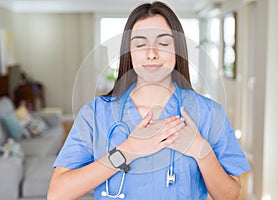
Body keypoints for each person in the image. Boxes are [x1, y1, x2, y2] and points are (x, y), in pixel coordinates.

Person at [47, 1, 251, 200]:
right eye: (140, 44)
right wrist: (128, 151)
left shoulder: (209, 113)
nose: (151, 54)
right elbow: (57, 193)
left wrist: (201, 151)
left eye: (163, 43)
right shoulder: (94, 114)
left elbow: (230, 195)